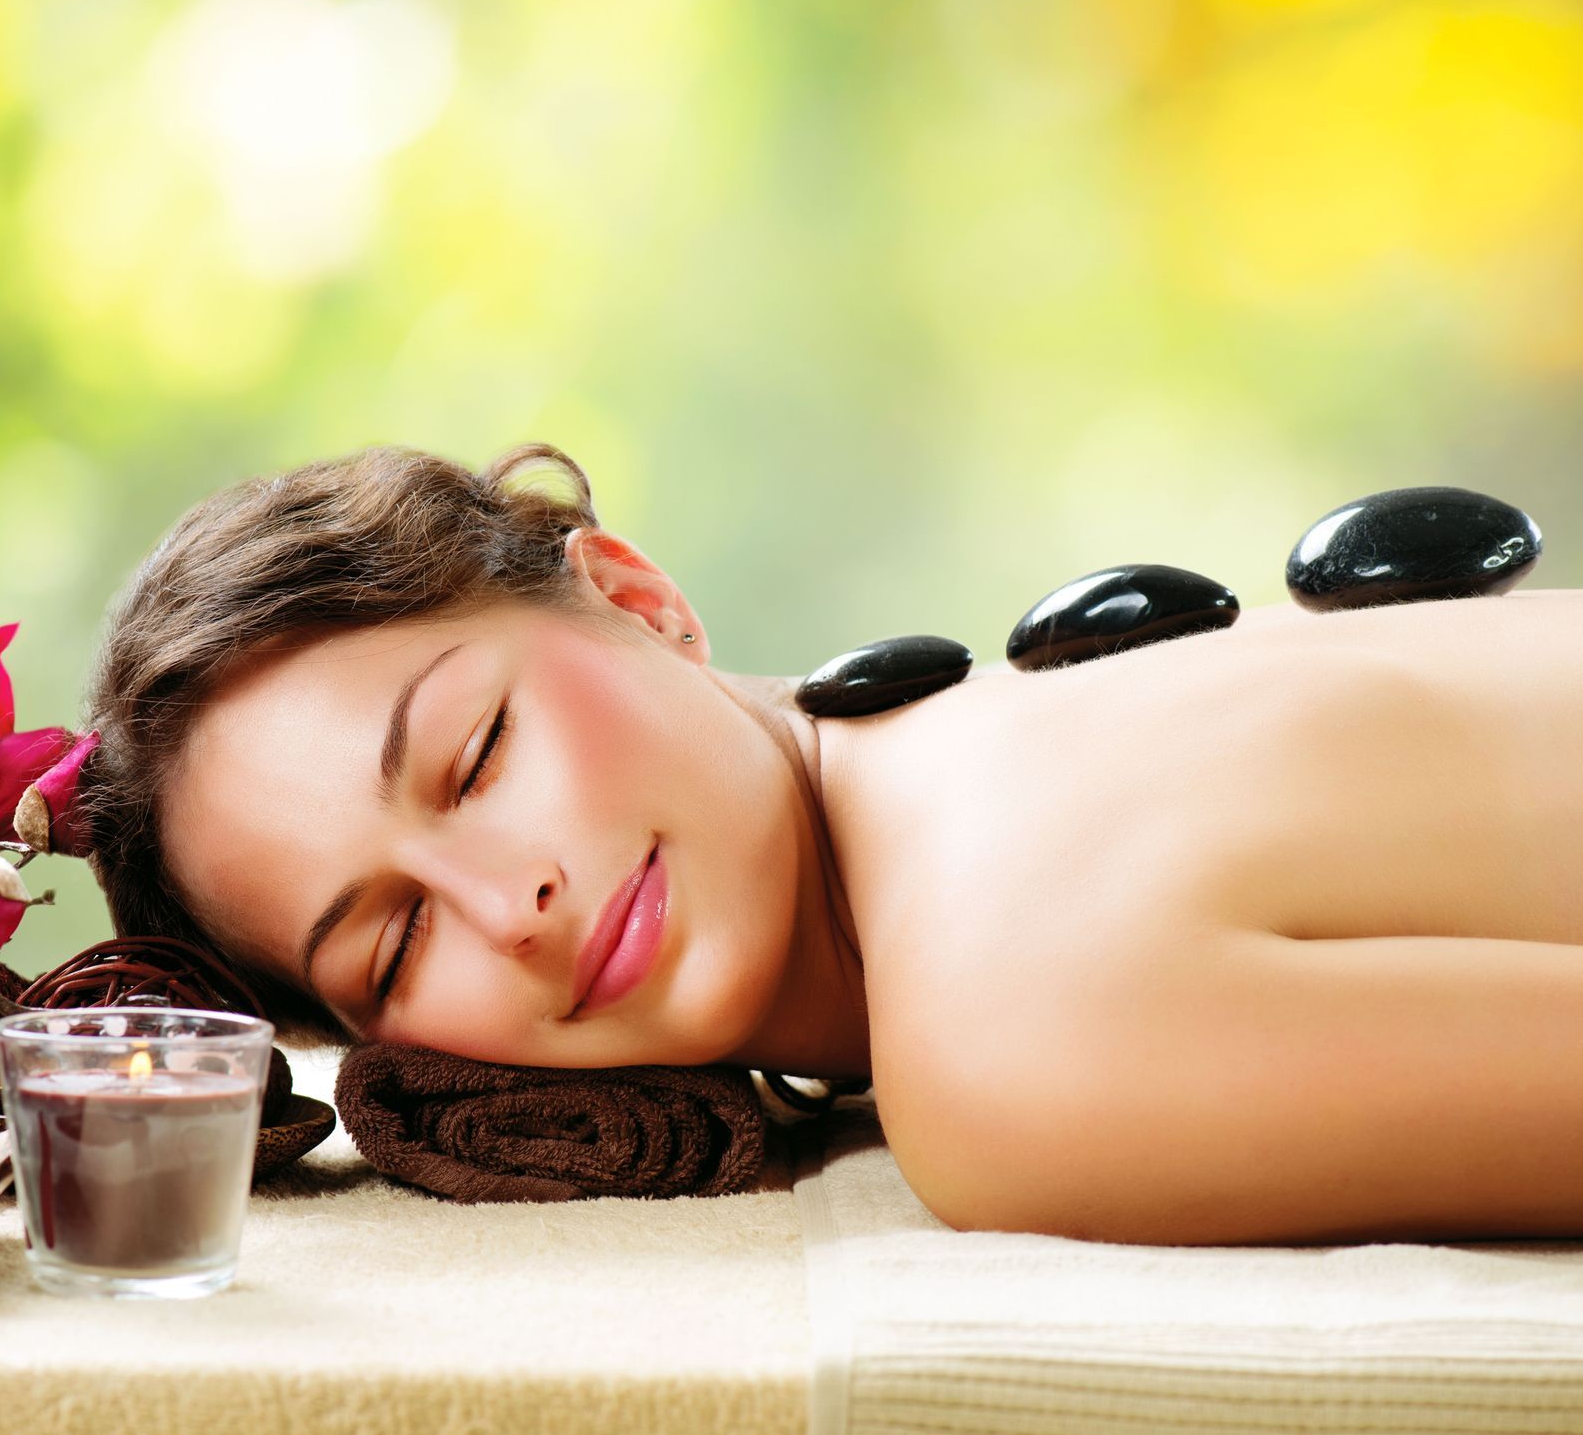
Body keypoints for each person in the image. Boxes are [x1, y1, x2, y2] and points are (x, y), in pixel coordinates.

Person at [79, 442, 1583, 1246]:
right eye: (394, 944)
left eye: (476, 754)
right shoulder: (991, 751)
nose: (508, 905)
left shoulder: (1005, 1036)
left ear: (637, 599)